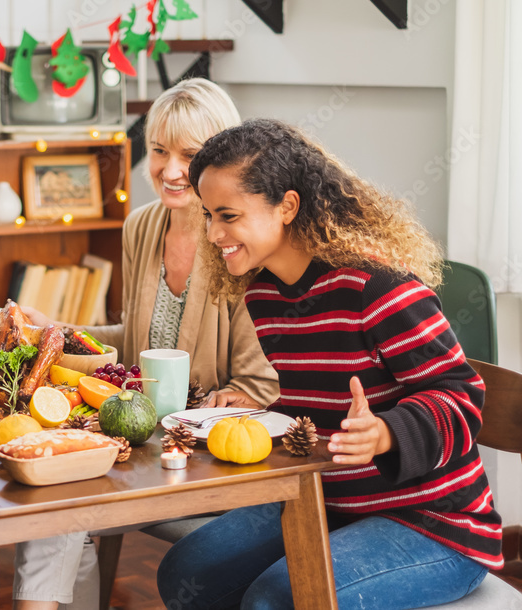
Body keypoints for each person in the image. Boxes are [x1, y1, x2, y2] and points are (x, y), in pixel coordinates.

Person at [157, 118, 503, 609]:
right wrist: (260, 410)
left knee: (275, 599)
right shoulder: (264, 292)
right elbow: (322, 391)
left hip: (435, 526)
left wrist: (385, 433)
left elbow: (462, 395)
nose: (213, 233)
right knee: (185, 573)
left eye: (228, 215)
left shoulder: (378, 289)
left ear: (288, 206)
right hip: (328, 503)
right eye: (208, 214)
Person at [15, 79, 279, 610]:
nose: (171, 169)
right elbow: (134, 343)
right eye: (159, 150)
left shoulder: (237, 238)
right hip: (137, 440)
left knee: (63, 498)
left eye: (191, 154)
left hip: (205, 457)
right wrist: (61, 332)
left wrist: (196, 413)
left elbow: (259, 384)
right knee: (54, 496)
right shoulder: (141, 225)